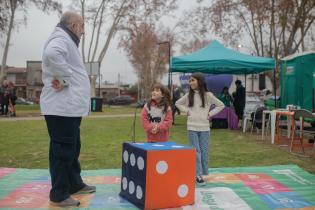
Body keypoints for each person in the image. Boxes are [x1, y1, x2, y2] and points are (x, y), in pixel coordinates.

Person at [40, 11, 95, 208]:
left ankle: (74, 184)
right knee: (63, 150)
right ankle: (59, 193)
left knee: (72, 147)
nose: (83, 31)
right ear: (73, 25)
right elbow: (51, 54)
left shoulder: (66, 40)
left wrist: (65, 77)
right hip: (61, 108)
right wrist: (64, 78)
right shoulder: (60, 38)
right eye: (82, 27)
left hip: (68, 108)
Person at [175, 73, 224, 185]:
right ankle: (198, 175)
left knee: (204, 151)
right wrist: (187, 111)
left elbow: (221, 105)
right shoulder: (188, 95)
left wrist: (210, 114)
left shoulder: (209, 95)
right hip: (192, 127)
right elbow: (177, 103)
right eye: (190, 81)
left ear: (200, 81)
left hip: (205, 128)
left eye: (193, 80)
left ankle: (202, 173)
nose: (190, 82)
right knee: (196, 152)